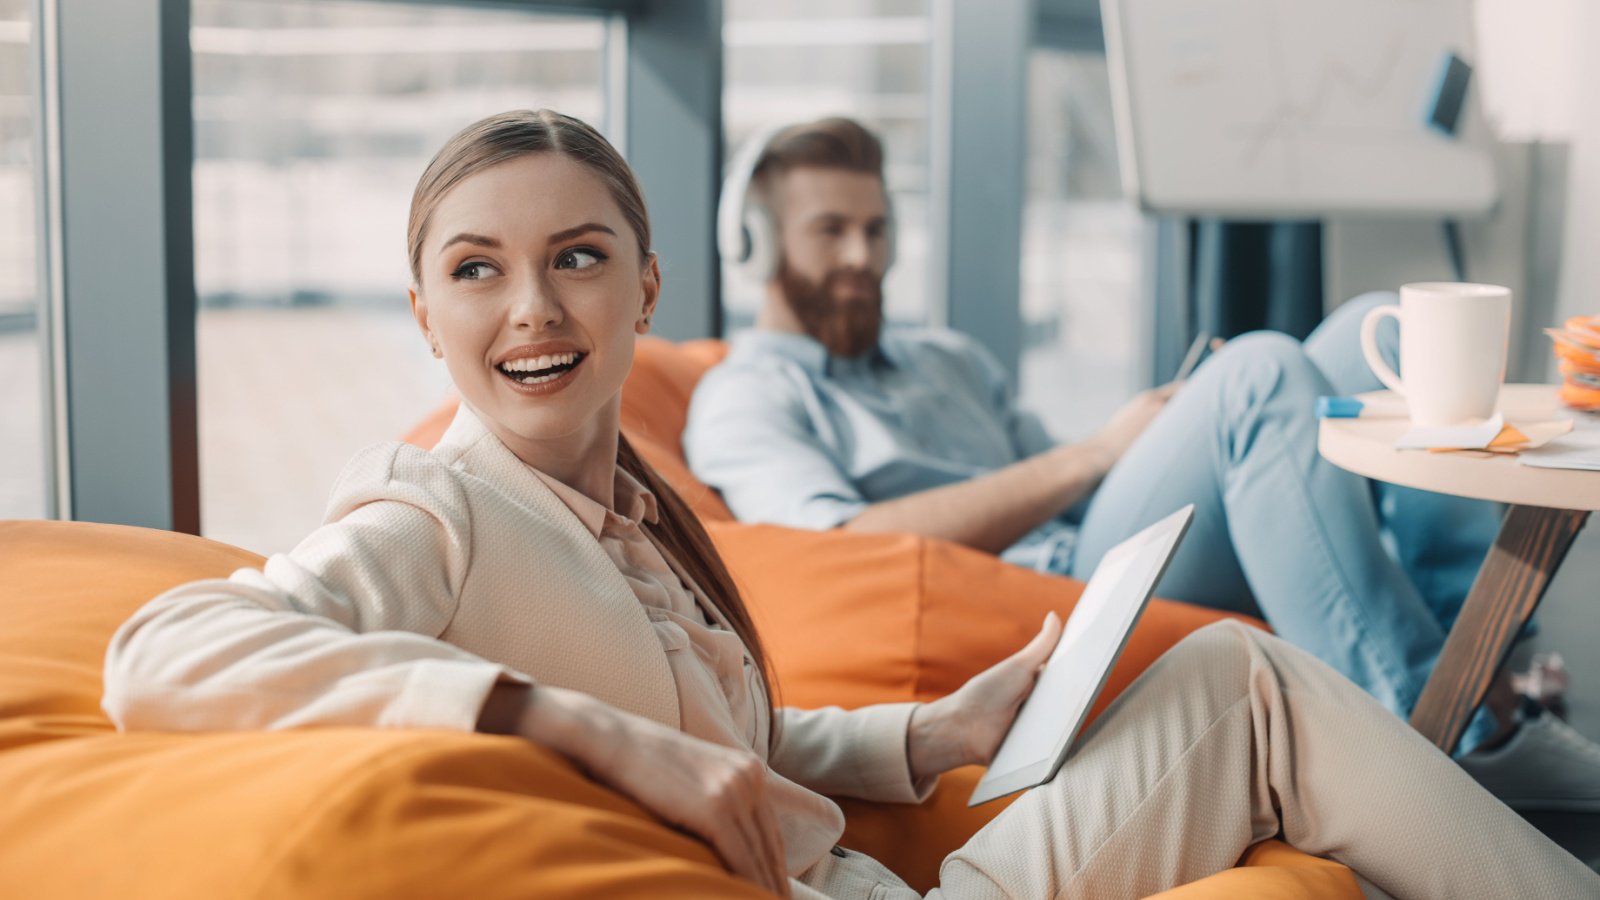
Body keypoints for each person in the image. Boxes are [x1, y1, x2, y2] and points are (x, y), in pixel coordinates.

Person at [102, 109, 1596, 899]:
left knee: (1239, 674)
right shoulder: (437, 514)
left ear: (643, 290)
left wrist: (923, 735)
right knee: (1260, 667)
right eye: (475, 268)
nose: (530, 304)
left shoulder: (629, 510)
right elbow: (158, 652)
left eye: (576, 256)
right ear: (426, 317)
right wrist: (572, 728)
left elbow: (729, 741)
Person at [684, 116, 1600, 805]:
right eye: (831, 231)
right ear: (758, 247)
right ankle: (1436, 738)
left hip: (1091, 541)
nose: (864, 257)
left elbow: (1069, 484)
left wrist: (1151, 437)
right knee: (1257, 374)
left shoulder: (944, 357)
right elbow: (839, 542)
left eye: (877, 230)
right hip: (1037, 605)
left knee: (1371, 328)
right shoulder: (748, 392)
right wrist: (1103, 449)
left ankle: (1487, 678)